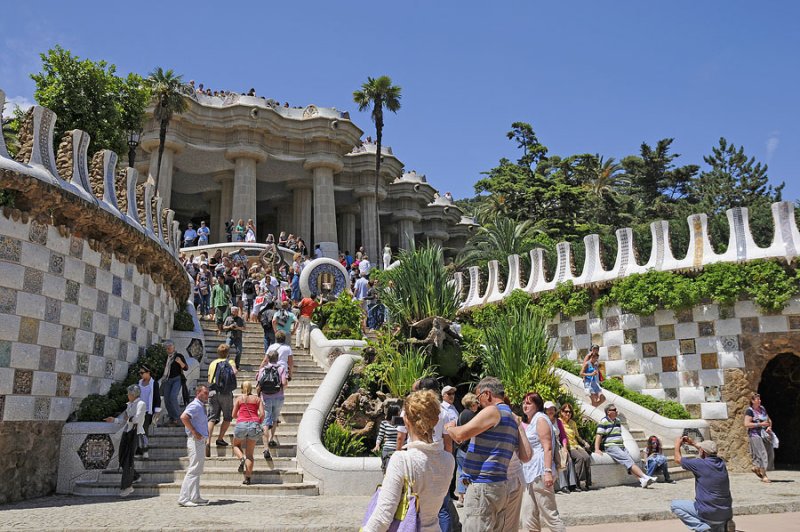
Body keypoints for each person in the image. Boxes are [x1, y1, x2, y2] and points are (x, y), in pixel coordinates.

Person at [445, 377, 532, 532]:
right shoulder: (511, 417)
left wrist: (450, 427)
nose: (478, 404)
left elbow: (460, 436)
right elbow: (526, 456)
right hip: (500, 486)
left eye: (479, 398)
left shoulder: (493, 411)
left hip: (482, 486)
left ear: (487, 394)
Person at [362, 390, 455, 532]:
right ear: (436, 420)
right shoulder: (449, 460)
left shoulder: (401, 459)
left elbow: (383, 517)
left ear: (405, 419)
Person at [520, 392, 566, 532]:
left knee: (550, 515)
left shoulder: (540, 420)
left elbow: (547, 447)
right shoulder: (533, 421)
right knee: (528, 516)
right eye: (524, 403)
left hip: (540, 471)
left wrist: (547, 472)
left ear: (537, 405)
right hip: (530, 473)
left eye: (529, 403)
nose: (525, 405)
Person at [671, 437, 734, 532]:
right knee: (716, 525)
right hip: (725, 513)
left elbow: (677, 459)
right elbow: (706, 451)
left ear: (702, 451)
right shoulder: (721, 463)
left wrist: (677, 445)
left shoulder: (699, 464)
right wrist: (692, 443)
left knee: (675, 505)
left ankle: (702, 528)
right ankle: (723, 526)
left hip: (708, 513)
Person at [594, 403, 656, 488]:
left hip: (621, 446)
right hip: (611, 446)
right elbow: (599, 435)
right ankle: (645, 476)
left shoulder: (617, 421)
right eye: (614, 410)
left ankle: (641, 480)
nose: (617, 411)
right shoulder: (603, 421)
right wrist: (597, 449)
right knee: (628, 460)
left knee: (629, 461)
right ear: (608, 412)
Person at [105, 384, 146, 497]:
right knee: (122, 458)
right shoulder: (130, 405)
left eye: (129, 393)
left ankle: (127, 487)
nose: (127, 395)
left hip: (134, 434)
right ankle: (135, 476)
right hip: (126, 432)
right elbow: (125, 421)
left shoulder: (141, 404)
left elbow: (138, 418)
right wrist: (114, 420)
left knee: (128, 460)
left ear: (133, 394)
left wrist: (130, 418)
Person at [178, 383, 210, 507]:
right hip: (195, 440)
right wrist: (194, 431)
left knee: (197, 469)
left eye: (207, 393)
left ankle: (195, 496)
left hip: (200, 440)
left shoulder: (200, 406)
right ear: (198, 393)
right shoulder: (195, 405)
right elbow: (184, 417)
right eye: (205, 393)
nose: (207, 395)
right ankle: (184, 497)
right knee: (193, 469)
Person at [207, 343, 238, 455]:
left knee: (211, 418)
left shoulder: (212, 363)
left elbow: (210, 380)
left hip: (213, 392)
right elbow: (235, 372)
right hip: (226, 393)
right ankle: (220, 439)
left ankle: (208, 441)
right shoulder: (229, 362)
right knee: (227, 417)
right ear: (228, 353)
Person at [257, 349, 288, 459]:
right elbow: (284, 383)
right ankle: (271, 439)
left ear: (268, 358)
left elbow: (258, 382)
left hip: (265, 398)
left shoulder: (262, 370)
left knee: (265, 422)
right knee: (274, 419)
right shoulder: (281, 368)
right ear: (278, 358)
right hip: (278, 397)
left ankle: (265, 448)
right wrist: (280, 389)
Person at [232, 380, 265, 485]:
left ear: (242, 388)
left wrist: (241, 419)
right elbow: (262, 414)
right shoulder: (257, 399)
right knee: (250, 454)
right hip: (254, 425)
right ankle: (248, 479)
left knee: (236, 445)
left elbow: (233, 414)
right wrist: (258, 421)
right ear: (251, 388)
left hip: (241, 424)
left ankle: (241, 458)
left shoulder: (239, 399)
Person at [544, 401, 576, 494]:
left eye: (552, 409)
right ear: (545, 410)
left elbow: (563, 436)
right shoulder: (543, 420)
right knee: (559, 462)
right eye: (548, 409)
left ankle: (572, 484)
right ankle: (563, 485)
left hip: (557, 443)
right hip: (547, 444)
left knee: (567, 459)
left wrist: (565, 447)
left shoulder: (558, 421)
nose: (550, 411)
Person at [559, 402, 592, 491]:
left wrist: (584, 443)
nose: (568, 414)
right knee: (580, 458)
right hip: (568, 446)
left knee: (587, 457)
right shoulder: (559, 422)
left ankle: (587, 482)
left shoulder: (573, 423)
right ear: (561, 412)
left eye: (569, 412)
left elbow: (577, 436)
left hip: (576, 445)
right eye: (566, 411)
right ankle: (577, 483)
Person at [454, 393, 478, 508]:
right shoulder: (472, 415)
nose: (478, 405)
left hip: (460, 448)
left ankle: (460, 497)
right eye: (477, 403)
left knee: (461, 472)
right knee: (469, 473)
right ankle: (468, 497)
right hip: (468, 448)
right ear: (472, 404)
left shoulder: (461, 414)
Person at [744, 392, 774, 482]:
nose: (760, 400)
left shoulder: (762, 409)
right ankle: (764, 476)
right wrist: (760, 424)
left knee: (769, 453)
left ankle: (756, 468)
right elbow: (746, 424)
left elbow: (768, 420)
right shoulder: (749, 411)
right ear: (752, 401)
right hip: (755, 435)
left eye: (760, 399)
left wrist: (769, 427)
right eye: (757, 399)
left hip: (765, 434)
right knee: (762, 454)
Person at [136, 365, 160, 459]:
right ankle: (139, 450)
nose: (141, 375)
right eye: (140, 373)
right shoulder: (139, 383)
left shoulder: (154, 384)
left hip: (147, 411)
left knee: (144, 431)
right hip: (138, 411)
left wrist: (156, 412)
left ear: (148, 372)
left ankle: (145, 451)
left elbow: (157, 399)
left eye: (142, 373)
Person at [161, 340, 187, 426]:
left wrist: (180, 362)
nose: (168, 350)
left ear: (173, 348)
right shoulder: (165, 357)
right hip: (167, 380)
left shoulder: (179, 356)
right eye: (166, 348)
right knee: (166, 399)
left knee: (173, 397)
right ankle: (172, 418)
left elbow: (186, 368)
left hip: (177, 379)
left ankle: (179, 418)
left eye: (169, 348)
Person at [373, 404, 401, 474]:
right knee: (388, 469)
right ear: (394, 412)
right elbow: (380, 435)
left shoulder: (402, 422)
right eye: (399, 411)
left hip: (400, 448)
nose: (400, 413)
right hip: (388, 448)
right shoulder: (384, 423)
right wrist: (377, 445)